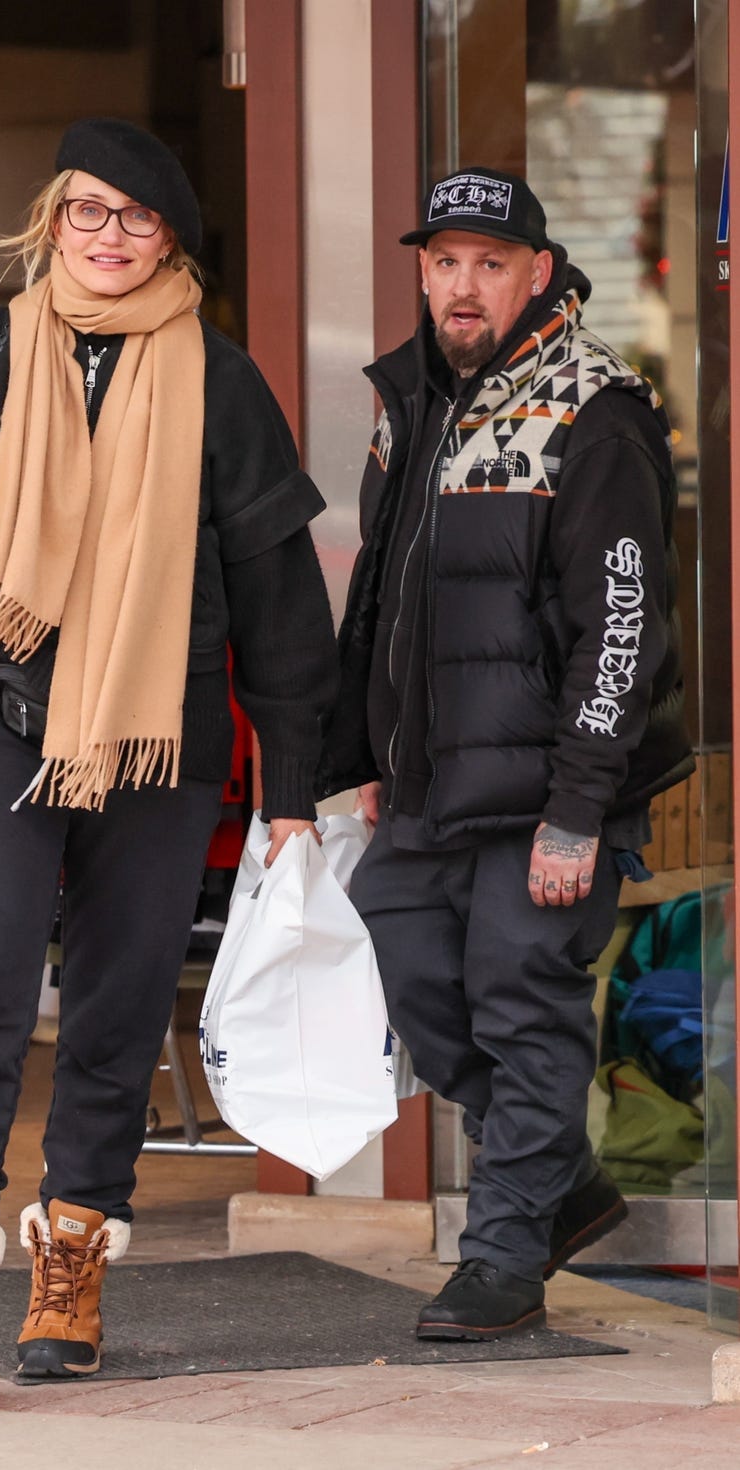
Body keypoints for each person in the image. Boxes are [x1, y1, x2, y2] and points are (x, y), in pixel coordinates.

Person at [0, 116, 337, 1385]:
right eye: (87, 212)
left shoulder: (217, 381)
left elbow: (281, 596)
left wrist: (293, 788)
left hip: (152, 725)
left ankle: (70, 1264)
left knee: (120, 994)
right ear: (52, 220)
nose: (108, 238)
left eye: (134, 218)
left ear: (168, 235)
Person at [318, 167, 693, 1339]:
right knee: (416, 978)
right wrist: (361, 749)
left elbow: (621, 627)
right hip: (431, 783)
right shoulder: (411, 400)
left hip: (547, 788)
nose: (462, 284)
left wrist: (577, 810)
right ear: (421, 272)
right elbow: (379, 594)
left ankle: (502, 1256)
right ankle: (561, 1186)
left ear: (537, 272)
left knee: (520, 1005)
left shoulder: (595, 409)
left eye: (489, 261)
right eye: (442, 261)